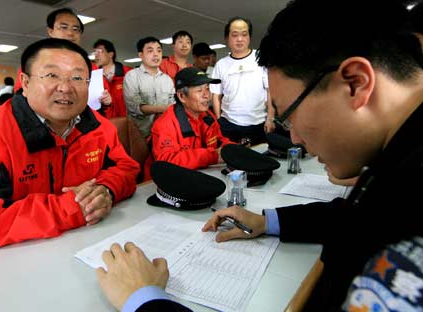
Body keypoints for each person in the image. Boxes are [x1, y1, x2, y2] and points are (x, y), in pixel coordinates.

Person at [95, 0, 423, 311]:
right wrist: (269, 221)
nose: (295, 138)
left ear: (355, 83)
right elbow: (359, 220)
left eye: (289, 115)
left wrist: (145, 301)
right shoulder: (399, 171)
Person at [0, 38, 140, 250]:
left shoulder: (99, 127)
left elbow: (127, 168)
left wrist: (105, 190)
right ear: (25, 83)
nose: (66, 87)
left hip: (91, 245)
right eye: (52, 75)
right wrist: (68, 209)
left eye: (78, 77)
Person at [13, 8, 113, 112]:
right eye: (64, 27)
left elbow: (103, 100)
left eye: (76, 29)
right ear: (51, 31)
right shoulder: (35, 63)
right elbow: (22, 101)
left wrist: (107, 102)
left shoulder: (92, 67)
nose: (70, 33)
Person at [150, 67, 233, 169]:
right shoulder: (165, 124)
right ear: (182, 96)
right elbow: (166, 162)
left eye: (207, 88)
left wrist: (232, 149)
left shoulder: (208, 115)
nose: (207, 95)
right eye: (199, 90)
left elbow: (219, 141)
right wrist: (212, 155)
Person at [210, 16, 275, 145]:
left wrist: (270, 118)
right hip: (229, 124)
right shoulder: (221, 65)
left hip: (258, 124)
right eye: (234, 35)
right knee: (231, 160)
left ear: (249, 37)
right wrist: (219, 121)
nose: (239, 39)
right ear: (227, 38)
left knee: (258, 160)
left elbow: (270, 91)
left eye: (244, 34)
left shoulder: (260, 59)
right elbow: (216, 96)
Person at [124, 37, 175, 138]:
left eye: (159, 50)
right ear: (141, 55)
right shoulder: (132, 76)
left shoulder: (167, 79)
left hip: (164, 134)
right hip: (140, 135)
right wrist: (165, 108)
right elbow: (135, 107)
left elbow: (172, 103)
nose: (156, 54)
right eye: (150, 51)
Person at [93, 38, 132, 118]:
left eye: (100, 51)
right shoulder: (94, 76)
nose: (96, 55)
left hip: (127, 121)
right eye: (95, 52)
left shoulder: (128, 73)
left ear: (110, 54)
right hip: (105, 122)